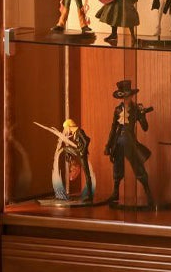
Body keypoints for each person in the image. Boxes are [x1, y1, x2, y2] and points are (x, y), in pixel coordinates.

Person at [104, 80, 154, 208]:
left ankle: (148, 193)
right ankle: (115, 192)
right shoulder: (117, 110)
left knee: (138, 167)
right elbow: (113, 128)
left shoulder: (136, 109)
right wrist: (108, 145)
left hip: (130, 142)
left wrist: (142, 116)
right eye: (124, 97)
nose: (126, 99)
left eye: (128, 96)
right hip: (118, 142)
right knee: (117, 167)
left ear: (131, 96)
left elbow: (145, 128)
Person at [52, 118, 94, 203]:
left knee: (87, 174)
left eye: (65, 128)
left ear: (68, 126)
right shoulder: (75, 133)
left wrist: (83, 150)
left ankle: (90, 196)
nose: (65, 130)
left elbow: (87, 140)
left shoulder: (79, 131)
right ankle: (71, 162)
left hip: (81, 153)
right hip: (79, 151)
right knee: (66, 149)